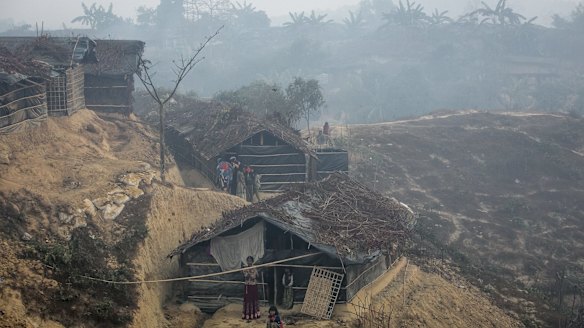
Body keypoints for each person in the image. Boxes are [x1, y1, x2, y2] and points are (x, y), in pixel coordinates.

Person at [242, 256, 261, 321]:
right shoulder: (245, 268)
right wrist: (248, 271)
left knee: (253, 299)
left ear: (252, 261)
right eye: (248, 260)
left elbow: (255, 276)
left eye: (250, 260)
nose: (249, 262)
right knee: (247, 299)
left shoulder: (254, 268)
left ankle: (255, 313)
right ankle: (247, 314)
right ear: (247, 261)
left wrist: (250, 272)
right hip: (247, 286)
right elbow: (246, 276)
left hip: (253, 285)